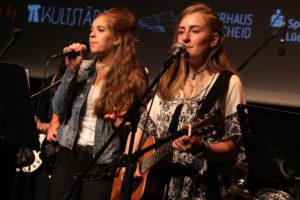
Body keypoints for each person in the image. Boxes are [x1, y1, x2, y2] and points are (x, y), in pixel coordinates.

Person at [125, 2, 246, 200]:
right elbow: (142, 127)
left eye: (195, 31)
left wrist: (203, 148)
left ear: (213, 39)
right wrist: (129, 163)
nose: (185, 38)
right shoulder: (169, 81)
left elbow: (234, 145)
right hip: (159, 187)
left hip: (202, 190)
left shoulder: (228, 82)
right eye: (181, 31)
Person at [46, 7, 148, 200]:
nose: (92, 35)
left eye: (100, 30)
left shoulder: (133, 77)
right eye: (92, 30)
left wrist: (123, 124)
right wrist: (70, 71)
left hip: (101, 163)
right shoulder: (81, 68)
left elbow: (137, 125)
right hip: (68, 155)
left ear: (117, 39)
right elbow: (58, 108)